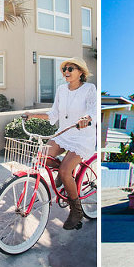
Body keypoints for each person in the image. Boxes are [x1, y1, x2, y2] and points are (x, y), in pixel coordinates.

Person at [24, 57, 96, 230]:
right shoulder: (61, 90)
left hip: (82, 136)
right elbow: (53, 114)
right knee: (41, 157)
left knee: (65, 171)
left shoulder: (89, 89)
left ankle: (76, 211)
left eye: (70, 69)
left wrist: (87, 118)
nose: (66, 72)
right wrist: (32, 115)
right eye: (64, 69)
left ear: (80, 72)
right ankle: (63, 176)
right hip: (63, 134)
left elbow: (93, 108)